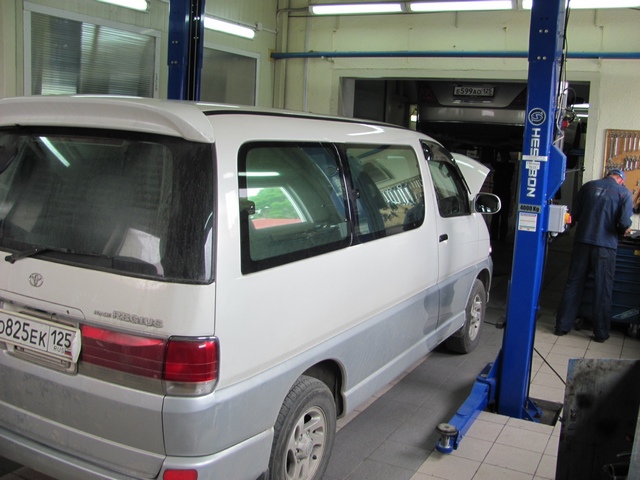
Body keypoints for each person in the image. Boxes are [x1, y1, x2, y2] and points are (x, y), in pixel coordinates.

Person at [554, 168, 633, 343]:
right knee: (602, 288)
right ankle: (600, 333)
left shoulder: (588, 187)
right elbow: (624, 222)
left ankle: (561, 326)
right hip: (605, 247)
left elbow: (574, 215)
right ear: (621, 179)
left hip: (582, 241)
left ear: (608, 175)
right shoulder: (624, 193)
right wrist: (624, 230)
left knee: (573, 283)